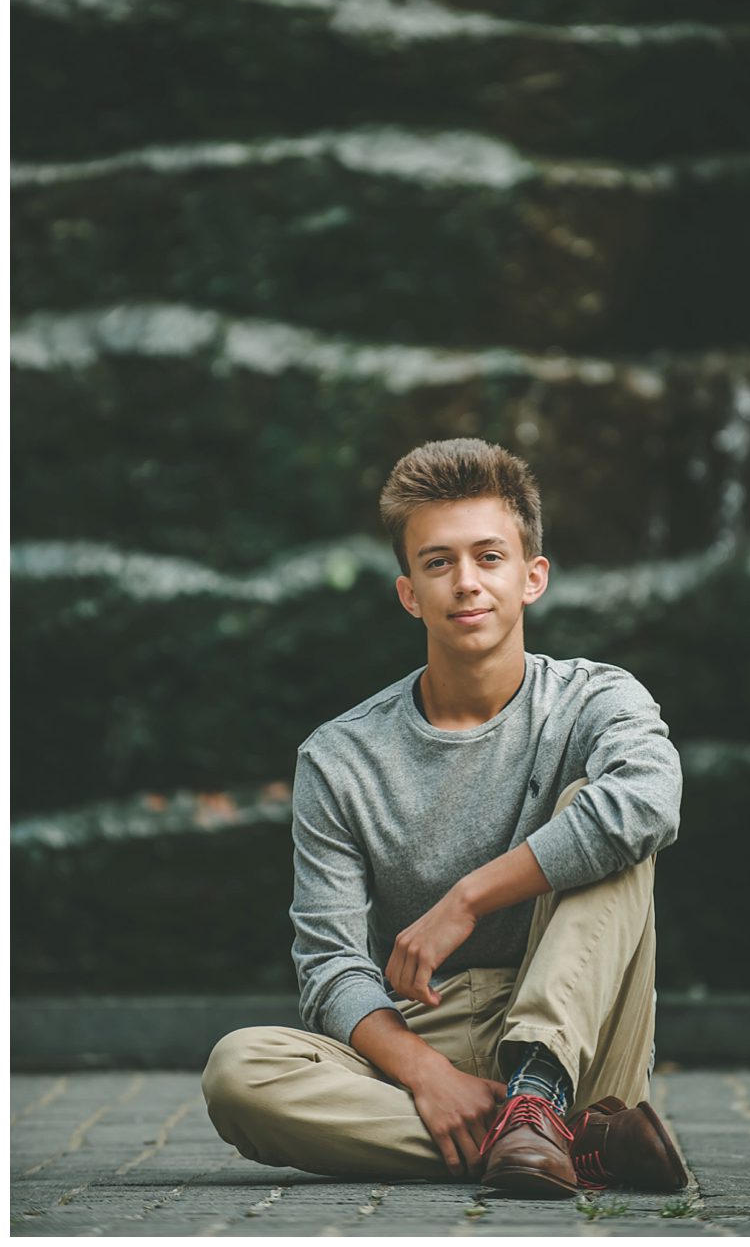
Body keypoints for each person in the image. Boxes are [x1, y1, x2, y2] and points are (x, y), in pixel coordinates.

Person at [202, 438, 688, 1198]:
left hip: (584, 1030)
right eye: (438, 562)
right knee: (239, 1071)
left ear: (533, 577)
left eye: (489, 557)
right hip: (428, 1032)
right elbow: (330, 964)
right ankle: (578, 1143)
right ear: (409, 592)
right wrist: (426, 1074)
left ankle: (544, 1098)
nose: (466, 582)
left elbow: (651, 799)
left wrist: (466, 899)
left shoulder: (596, 700)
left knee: (603, 812)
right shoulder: (340, 757)